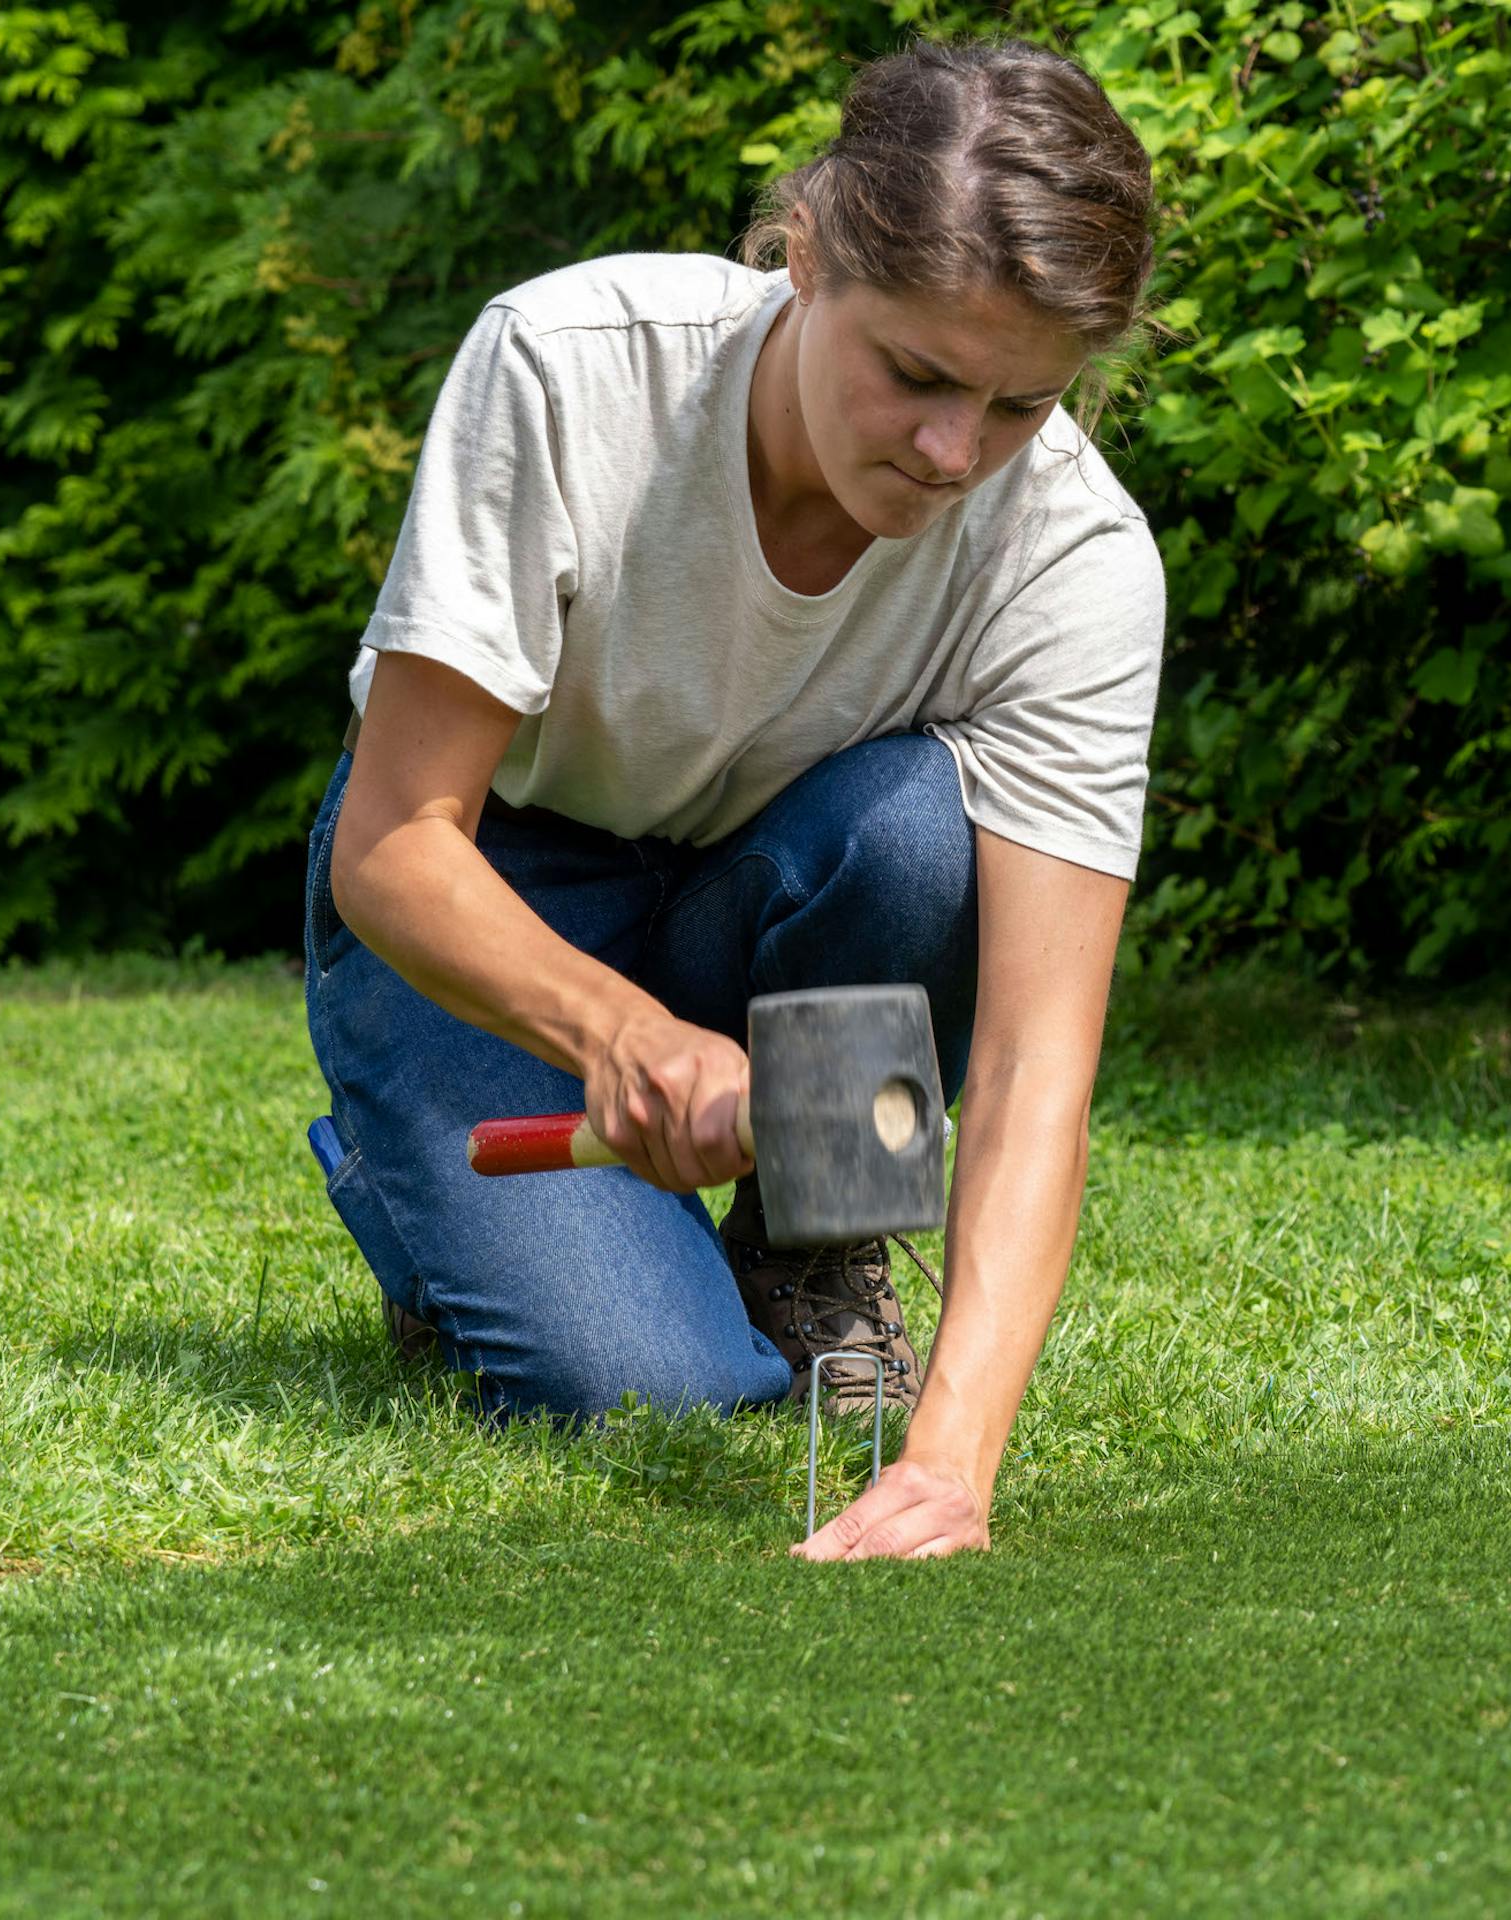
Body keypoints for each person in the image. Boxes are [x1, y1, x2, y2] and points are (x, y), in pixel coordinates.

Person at [302, 36, 1162, 1562]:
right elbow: (390, 843)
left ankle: (814, 1247)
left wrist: (956, 1458)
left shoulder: (1076, 563)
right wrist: (622, 1038)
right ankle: (406, 1179)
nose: (958, 453)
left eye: (1023, 406)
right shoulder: (571, 364)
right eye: (917, 374)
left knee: (915, 834)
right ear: (809, 255)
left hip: (753, 890)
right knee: (660, 1393)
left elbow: (1036, 1063)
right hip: (483, 896)